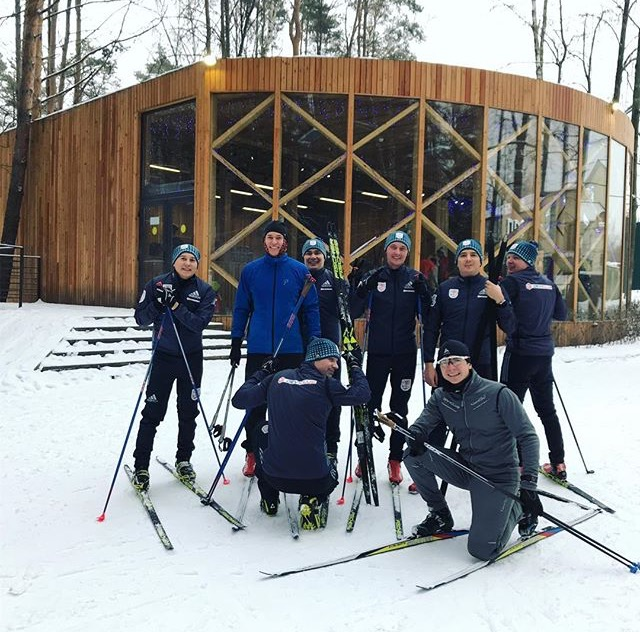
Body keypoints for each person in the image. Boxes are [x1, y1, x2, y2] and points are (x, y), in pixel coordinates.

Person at [403, 340, 543, 561]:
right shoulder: (441, 397)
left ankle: (518, 508)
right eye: (445, 363)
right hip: (467, 469)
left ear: (469, 363)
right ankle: (439, 514)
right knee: (413, 455)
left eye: (456, 361)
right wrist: (413, 433)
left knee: (482, 550)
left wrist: (529, 484)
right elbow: (421, 426)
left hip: (499, 477)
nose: (451, 368)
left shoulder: (498, 394)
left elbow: (528, 437)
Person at [231, 338, 371, 529]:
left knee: (260, 430)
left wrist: (263, 371)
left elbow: (240, 399)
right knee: (331, 460)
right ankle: (312, 499)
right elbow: (362, 394)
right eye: (331, 359)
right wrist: (354, 366)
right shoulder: (327, 385)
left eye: (337, 361)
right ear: (316, 357)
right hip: (317, 479)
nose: (335, 366)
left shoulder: (276, 378)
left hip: (275, 476)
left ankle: (270, 499)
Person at [229, 220, 321, 477]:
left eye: (278, 238)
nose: (274, 242)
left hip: (291, 348)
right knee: (256, 402)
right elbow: (241, 307)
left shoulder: (299, 271)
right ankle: (253, 452)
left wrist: (314, 340)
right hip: (259, 347)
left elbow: (311, 309)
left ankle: (287, 451)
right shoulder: (251, 271)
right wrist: (237, 340)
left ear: (285, 242)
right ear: (264, 240)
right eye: (270, 237)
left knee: (290, 404)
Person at [131, 244, 217, 491]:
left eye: (192, 259)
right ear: (174, 261)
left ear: (197, 265)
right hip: (163, 357)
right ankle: (141, 466)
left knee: (188, 412)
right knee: (152, 413)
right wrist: (157, 306)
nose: (187, 263)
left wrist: (177, 307)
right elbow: (140, 319)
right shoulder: (156, 284)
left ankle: (184, 460)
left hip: (191, 358)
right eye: (183, 258)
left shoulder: (205, 291)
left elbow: (199, 324)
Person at [354, 230, 431, 483]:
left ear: (407, 253)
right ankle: (364, 457)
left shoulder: (414, 278)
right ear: (386, 251)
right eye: (393, 248)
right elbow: (354, 308)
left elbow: (430, 316)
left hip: (405, 355)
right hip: (376, 353)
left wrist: (426, 292)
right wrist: (361, 284)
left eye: (402, 249)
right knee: (369, 406)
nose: (397, 252)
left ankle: (395, 459)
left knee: (399, 408)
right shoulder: (376, 277)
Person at [499, 240, 569, 480]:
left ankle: (517, 463)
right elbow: (561, 314)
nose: (509, 261)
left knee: (510, 409)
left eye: (515, 258)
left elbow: (499, 311)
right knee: (547, 410)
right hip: (543, 355)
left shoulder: (511, 282)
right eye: (508, 257)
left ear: (527, 261)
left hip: (519, 353)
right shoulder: (549, 284)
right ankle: (558, 462)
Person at [423, 238, 515, 389]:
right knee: (445, 410)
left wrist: (500, 301)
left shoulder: (492, 287)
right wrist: (428, 363)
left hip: (482, 362)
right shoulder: (444, 289)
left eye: (473, 255)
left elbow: (510, 327)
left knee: (481, 411)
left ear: (480, 261)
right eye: (463, 255)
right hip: (449, 363)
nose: (468, 259)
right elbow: (431, 328)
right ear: (457, 261)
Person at [301, 238, 350, 458]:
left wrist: (351, 285)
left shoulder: (334, 279)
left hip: (330, 349)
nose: (313, 256)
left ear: (324, 256)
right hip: (303, 346)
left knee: (332, 395)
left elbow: (350, 308)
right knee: (304, 395)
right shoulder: (299, 278)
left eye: (317, 253)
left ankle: (331, 445)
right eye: (309, 253)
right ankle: (306, 442)